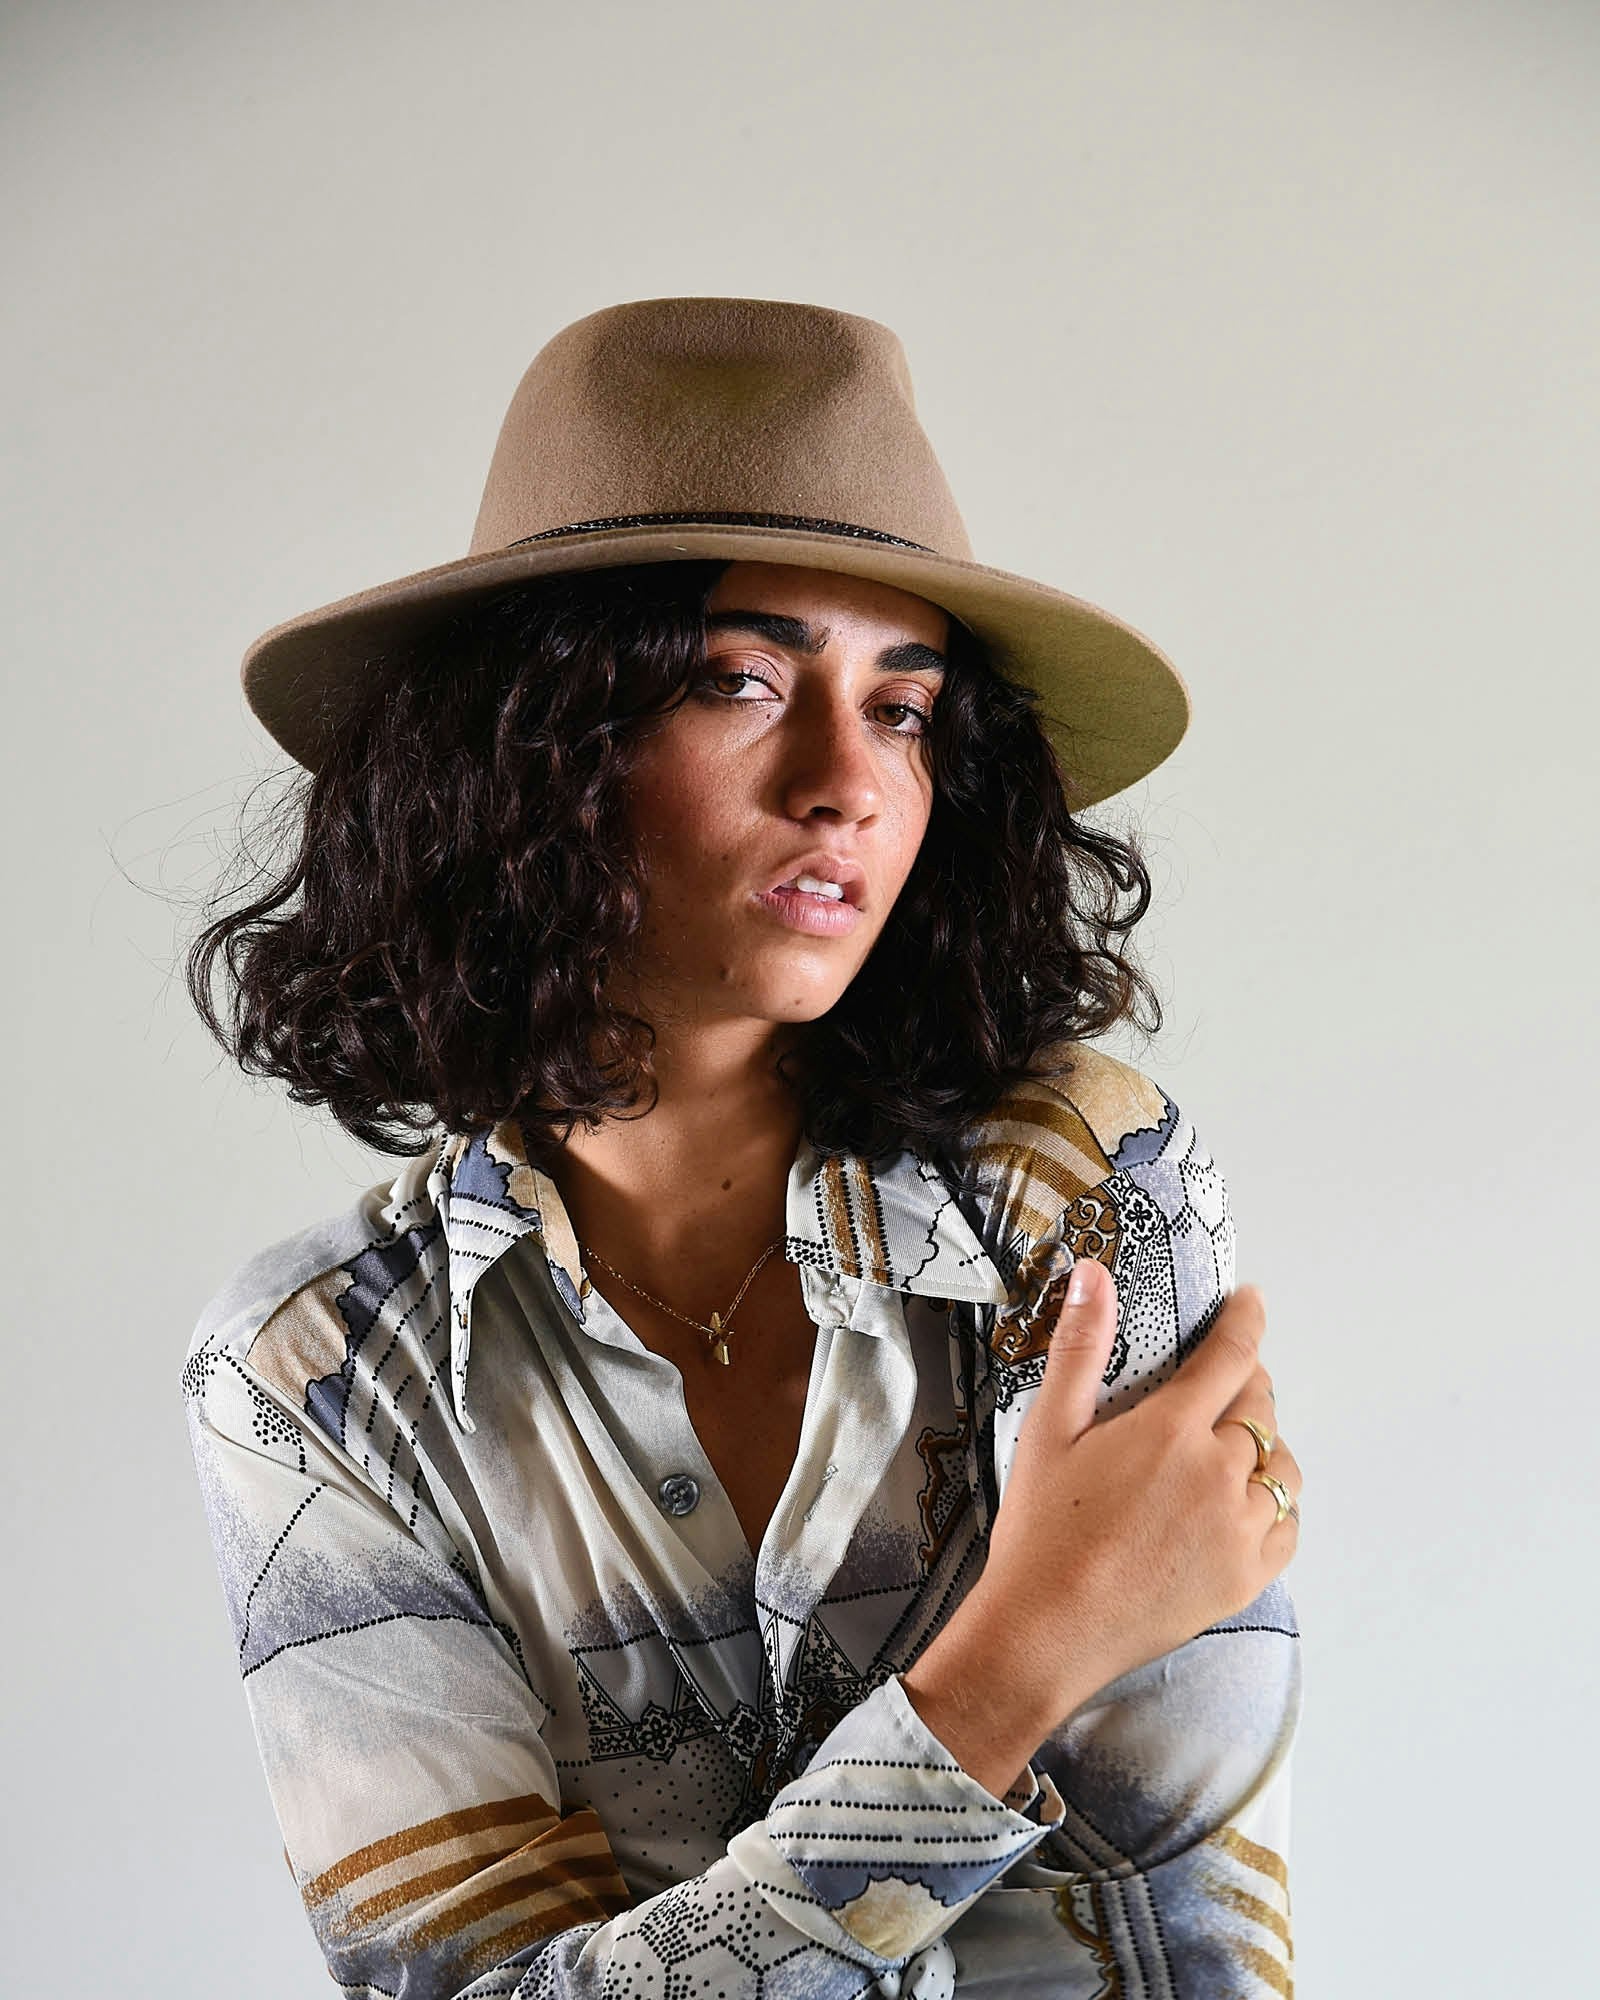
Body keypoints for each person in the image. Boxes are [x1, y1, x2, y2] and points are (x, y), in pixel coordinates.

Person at [182, 296, 1302, 1998]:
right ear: (524, 746)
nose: (848, 781)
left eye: (904, 708)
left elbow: (1173, 1935)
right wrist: (1010, 1665)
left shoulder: (1077, 1190)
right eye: (740, 681)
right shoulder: (317, 1379)